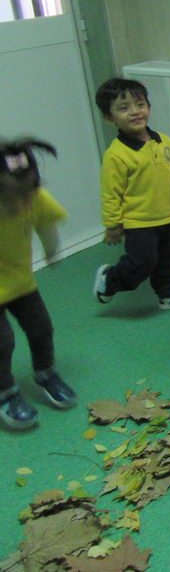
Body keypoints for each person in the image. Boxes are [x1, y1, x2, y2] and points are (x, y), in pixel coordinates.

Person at [93, 78, 170, 309]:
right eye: (124, 108)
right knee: (142, 263)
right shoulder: (117, 155)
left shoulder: (164, 142)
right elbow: (110, 193)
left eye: (139, 104)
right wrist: (112, 224)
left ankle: (168, 293)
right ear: (109, 117)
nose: (134, 112)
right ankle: (110, 279)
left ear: (148, 107)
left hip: (168, 216)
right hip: (138, 222)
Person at [0, 139, 77, 430]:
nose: (22, 197)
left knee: (41, 328)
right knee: (3, 342)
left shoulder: (34, 196)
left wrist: (52, 250)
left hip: (20, 281)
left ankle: (45, 373)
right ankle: (6, 393)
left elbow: (46, 223)